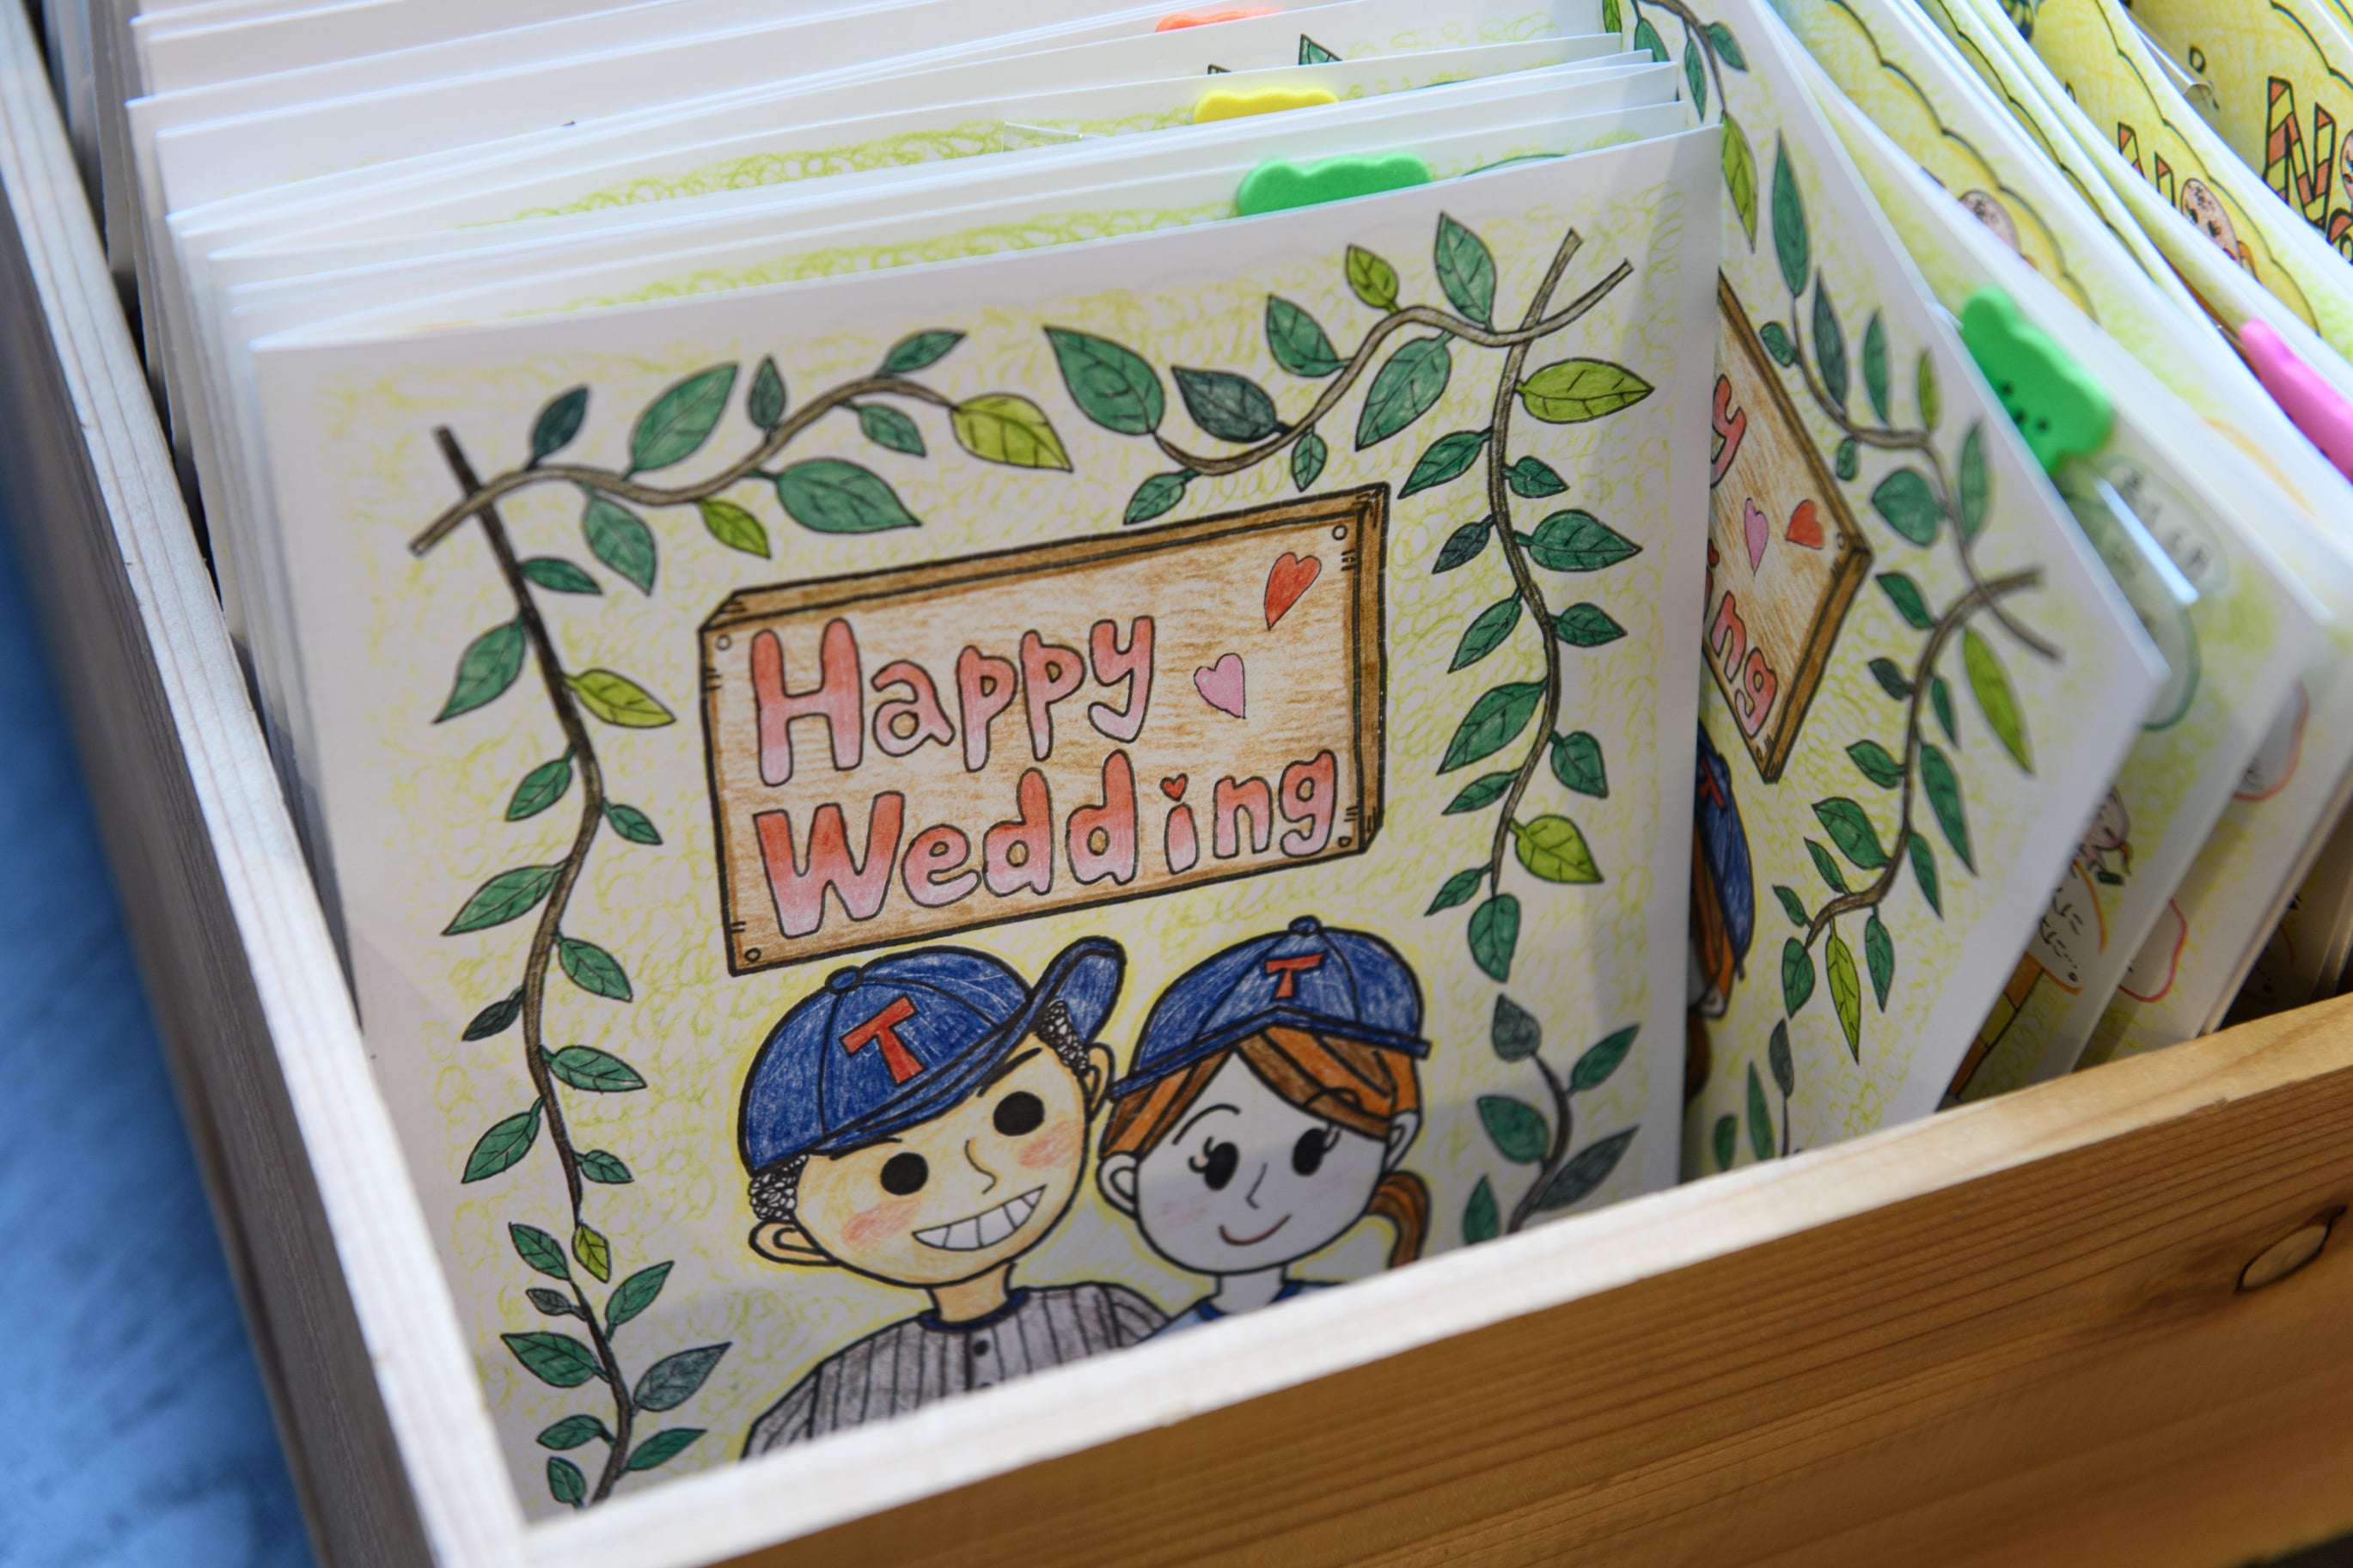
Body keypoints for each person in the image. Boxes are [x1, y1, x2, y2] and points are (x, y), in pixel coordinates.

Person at [737, 937, 1164, 1453]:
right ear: (797, 1239)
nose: (979, 1176)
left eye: (1018, 1115)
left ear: (1088, 1084)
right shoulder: (823, 1403)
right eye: (900, 1175)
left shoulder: (1110, 1316)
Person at [1096, 917, 1430, 1334]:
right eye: (1215, 1165)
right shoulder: (1160, 1352)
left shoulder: (1364, 1321)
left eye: (1309, 1154)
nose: (1257, 1195)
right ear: (1125, 1181)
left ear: (1394, 1140)